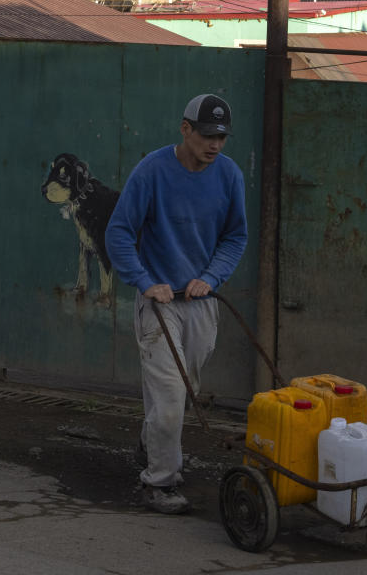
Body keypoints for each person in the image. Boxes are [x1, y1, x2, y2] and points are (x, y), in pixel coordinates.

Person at [105, 94, 248, 514]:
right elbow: (119, 232)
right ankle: (160, 482)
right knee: (169, 395)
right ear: (185, 129)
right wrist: (146, 282)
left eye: (222, 137)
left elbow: (234, 236)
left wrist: (211, 277)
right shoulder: (152, 171)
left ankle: (151, 444)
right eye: (207, 135)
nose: (215, 144)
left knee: (185, 391)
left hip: (201, 299)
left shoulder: (229, 175)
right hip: (160, 302)